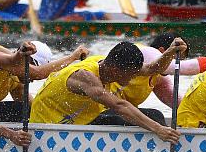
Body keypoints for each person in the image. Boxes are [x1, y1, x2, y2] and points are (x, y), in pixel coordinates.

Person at [30, 40, 182, 142]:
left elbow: (151, 68)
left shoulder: (108, 63)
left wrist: (170, 51)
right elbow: (120, 106)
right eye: (131, 74)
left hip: (78, 123)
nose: (133, 77)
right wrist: (158, 129)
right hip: (48, 129)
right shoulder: (85, 76)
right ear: (116, 70)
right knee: (130, 118)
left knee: (154, 115)